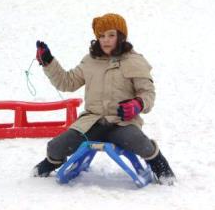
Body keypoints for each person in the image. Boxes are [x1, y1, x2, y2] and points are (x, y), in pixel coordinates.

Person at [31, 13, 175, 185]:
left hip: (121, 123)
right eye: (101, 36)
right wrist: (48, 61)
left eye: (111, 35)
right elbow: (66, 83)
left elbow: (148, 93)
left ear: (121, 36)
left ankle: (158, 162)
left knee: (139, 143)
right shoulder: (90, 61)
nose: (106, 40)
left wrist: (138, 104)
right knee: (56, 147)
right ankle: (53, 161)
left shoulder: (135, 61)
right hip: (92, 122)